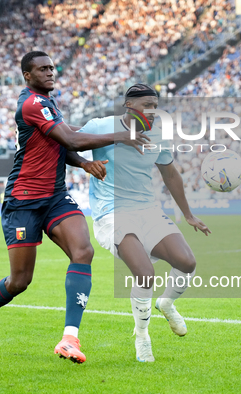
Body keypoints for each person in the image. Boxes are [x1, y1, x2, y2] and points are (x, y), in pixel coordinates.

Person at [0, 51, 149, 364]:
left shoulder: (48, 104)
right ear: (27, 75)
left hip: (54, 196)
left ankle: (69, 338)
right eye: (43, 69)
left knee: (84, 251)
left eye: (53, 67)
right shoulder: (31, 103)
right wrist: (121, 135)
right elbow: (70, 139)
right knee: (20, 281)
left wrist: (83, 164)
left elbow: (60, 146)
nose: (51, 72)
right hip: (23, 201)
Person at [80, 83, 211, 362]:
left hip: (147, 209)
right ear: (129, 105)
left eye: (155, 105)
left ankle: (166, 302)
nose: (152, 111)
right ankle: (142, 336)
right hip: (111, 211)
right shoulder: (100, 125)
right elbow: (67, 145)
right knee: (145, 272)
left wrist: (188, 214)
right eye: (147, 105)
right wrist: (85, 164)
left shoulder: (159, 136)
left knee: (187, 262)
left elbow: (171, 174)